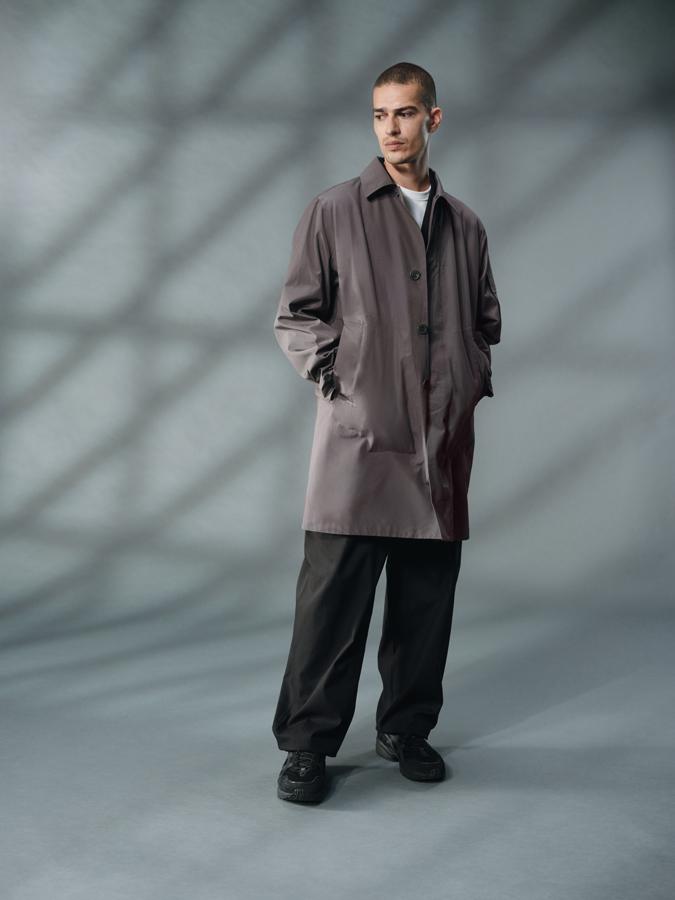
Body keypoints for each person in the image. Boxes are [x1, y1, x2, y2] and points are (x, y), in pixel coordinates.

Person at [272, 62, 502, 803]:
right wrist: (346, 385)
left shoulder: (464, 224)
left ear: (432, 118)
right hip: (360, 438)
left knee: (425, 600)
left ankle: (407, 728)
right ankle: (307, 745)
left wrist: (466, 382)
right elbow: (297, 316)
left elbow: (484, 322)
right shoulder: (334, 210)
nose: (390, 128)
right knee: (331, 601)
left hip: (439, 442)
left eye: (404, 113)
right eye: (379, 115)